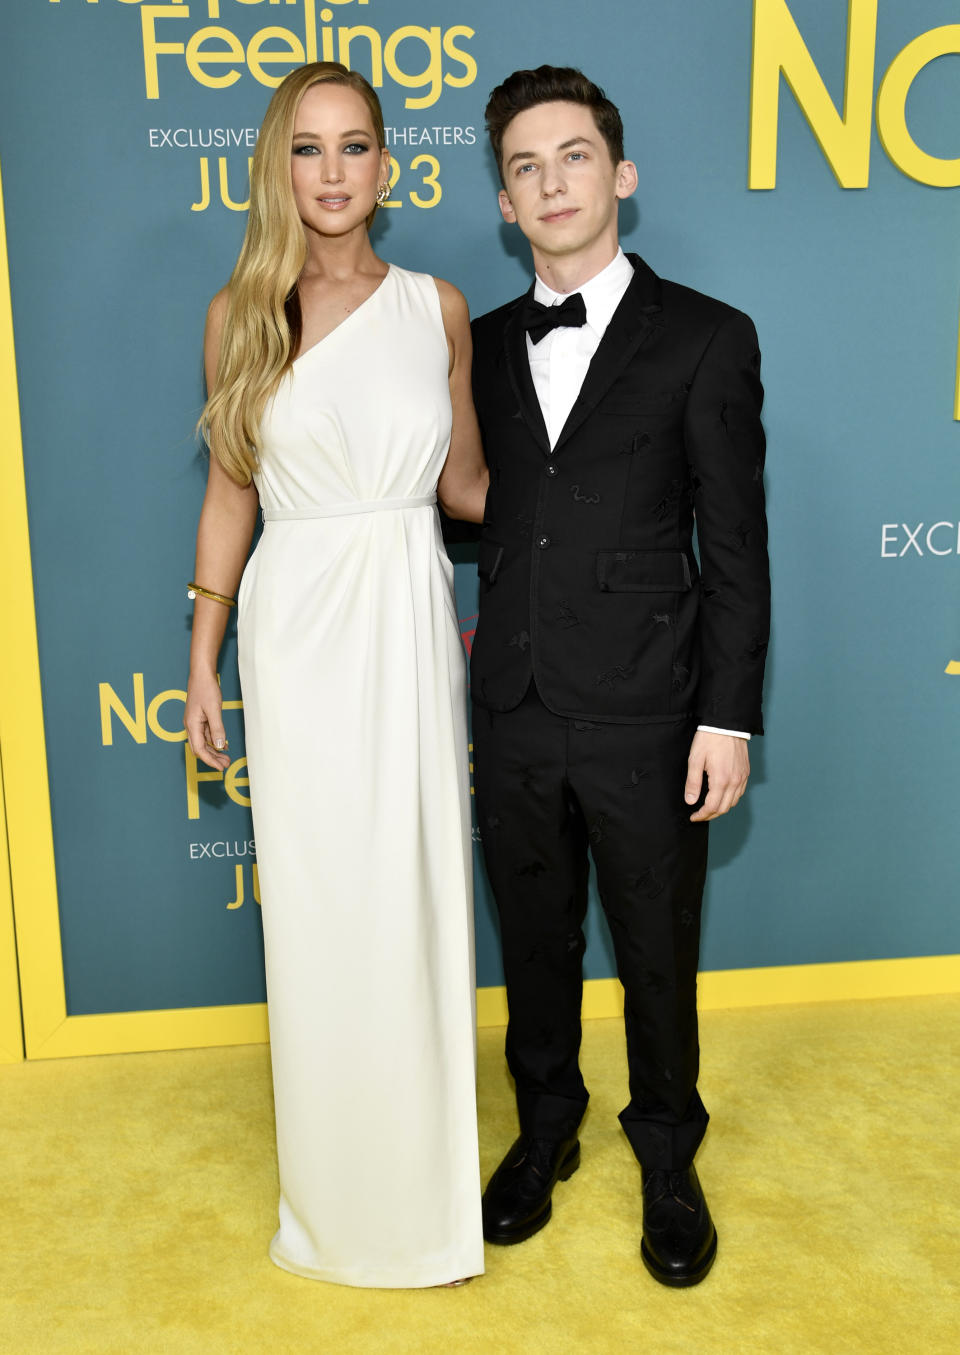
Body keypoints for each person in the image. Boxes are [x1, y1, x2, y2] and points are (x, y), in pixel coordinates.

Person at [183, 61, 488, 1289]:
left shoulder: (440, 308)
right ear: (277, 165)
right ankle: (333, 1202)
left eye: (353, 146)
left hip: (407, 609)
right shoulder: (237, 315)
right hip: (297, 625)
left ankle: (419, 1199)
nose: (330, 173)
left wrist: (606, 492)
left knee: (409, 898)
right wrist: (201, 659)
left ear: (383, 163)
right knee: (318, 915)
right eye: (305, 149)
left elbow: (469, 487)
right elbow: (228, 496)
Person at [469, 66, 770, 1287]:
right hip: (520, 706)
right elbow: (473, 510)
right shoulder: (476, 345)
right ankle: (545, 1131)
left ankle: (667, 1152)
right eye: (528, 166)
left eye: (574, 156)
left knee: (656, 947)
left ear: (620, 175)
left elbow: (736, 547)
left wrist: (728, 715)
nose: (552, 181)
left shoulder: (707, 334)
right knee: (535, 942)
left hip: (653, 707)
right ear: (504, 199)